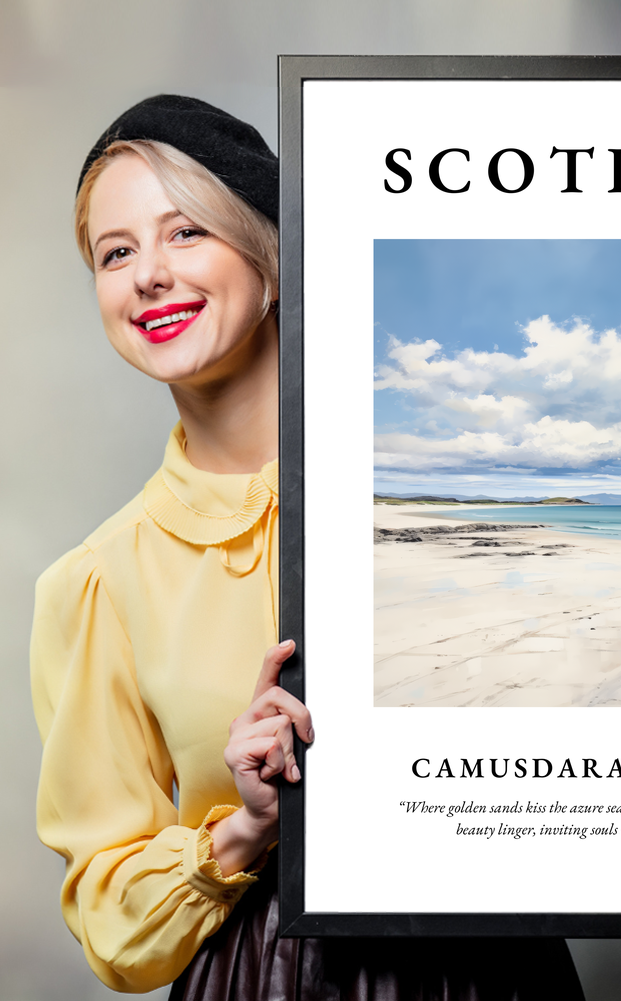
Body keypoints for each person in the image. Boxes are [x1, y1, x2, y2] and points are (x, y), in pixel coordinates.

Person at [30, 95, 585, 999]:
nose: (148, 276)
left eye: (186, 234)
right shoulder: (97, 582)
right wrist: (245, 827)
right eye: (116, 252)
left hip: (493, 968)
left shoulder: (442, 502)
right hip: (262, 976)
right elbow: (110, 919)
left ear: (274, 259)